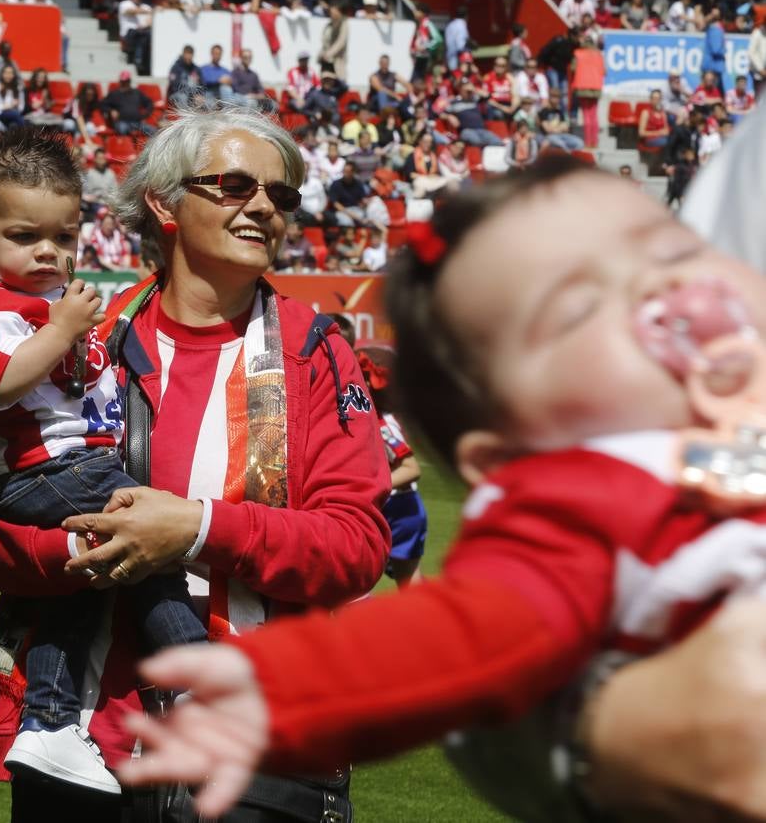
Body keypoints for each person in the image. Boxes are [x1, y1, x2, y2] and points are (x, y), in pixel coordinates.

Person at [114, 154, 766, 816]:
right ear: (512, 452)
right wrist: (276, 695)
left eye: (673, 250)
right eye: (581, 308)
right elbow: (456, 638)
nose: (665, 293)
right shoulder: (587, 500)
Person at [0, 104, 389, 820]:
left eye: (281, 194)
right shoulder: (90, 333)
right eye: (235, 185)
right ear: (164, 203)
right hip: (79, 755)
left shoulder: (315, 351)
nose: (263, 207)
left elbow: (356, 547)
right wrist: (77, 551)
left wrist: (197, 528)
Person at [0, 129, 209, 791]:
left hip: (61, 468)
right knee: (146, 542)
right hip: (41, 470)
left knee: (87, 581)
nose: (48, 252)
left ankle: (50, 723)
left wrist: (70, 333)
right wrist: (63, 329)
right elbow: (0, 383)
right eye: (24, 236)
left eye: (63, 236)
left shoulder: (44, 304)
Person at [100, 72, 156, 137]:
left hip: (137, 122)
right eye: (122, 82)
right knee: (122, 129)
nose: (124, 83)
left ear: (129, 81)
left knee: (154, 131)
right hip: (122, 122)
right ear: (120, 82)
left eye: (126, 81)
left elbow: (149, 103)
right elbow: (103, 104)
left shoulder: (137, 93)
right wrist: (111, 110)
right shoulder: (114, 94)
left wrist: (145, 115)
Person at [118, 0, 153, 74]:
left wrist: (147, 24)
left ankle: (142, 63)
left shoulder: (146, 7)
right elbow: (130, 11)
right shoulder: (124, 4)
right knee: (139, 33)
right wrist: (147, 12)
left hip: (144, 33)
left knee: (146, 34)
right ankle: (138, 61)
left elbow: (151, 21)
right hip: (128, 35)